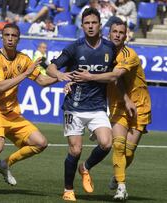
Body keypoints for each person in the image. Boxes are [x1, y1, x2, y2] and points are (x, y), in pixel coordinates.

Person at [0, 23, 73, 197]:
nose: (10, 39)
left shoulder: (24, 59)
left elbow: (42, 81)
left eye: (14, 36)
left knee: (41, 142)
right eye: (7, 35)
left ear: (18, 38)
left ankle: (5, 164)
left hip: (11, 112)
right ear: (2, 37)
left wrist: (62, 76)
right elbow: (1, 87)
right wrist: (25, 74)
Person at [72, 18, 152, 200]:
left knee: (129, 152)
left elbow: (115, 76)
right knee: (118, 145)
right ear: (109, 33)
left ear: (126, 36)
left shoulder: (129, 54)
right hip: (118, 106)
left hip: (139, 105)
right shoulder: (103, 52)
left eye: (121, 32)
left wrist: (90, 77)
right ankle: (122, 187)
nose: (117, 35)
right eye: (114, 31)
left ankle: (117, 175)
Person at [46, 8, 116, 201]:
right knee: (75, 150)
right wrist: (60, 75)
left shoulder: (110, 48)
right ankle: (68, 189)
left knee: (106, 143)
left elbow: (116, 74)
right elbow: (51, 67)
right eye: (87, 23)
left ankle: (85, 168)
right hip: (74, 107)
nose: (91, 26)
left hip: (98, 106)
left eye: (94, 23)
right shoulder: (75, 47)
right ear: (82, 25)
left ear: (100, 25)